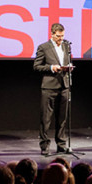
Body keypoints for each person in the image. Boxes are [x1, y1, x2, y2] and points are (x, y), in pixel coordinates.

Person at [34, 23, 72, 155]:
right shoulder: (44, 47)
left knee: (62, 118)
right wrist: (51, 67)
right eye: (58, 36)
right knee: (46, 118)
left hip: (64, 86)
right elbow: (37, 66)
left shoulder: (66, 46)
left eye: (62, 36)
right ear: (52, 34)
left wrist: (68, 67)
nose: (61, 39)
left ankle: (61, 144)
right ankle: (44, 146)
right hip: (49, 87)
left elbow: (66, 62)